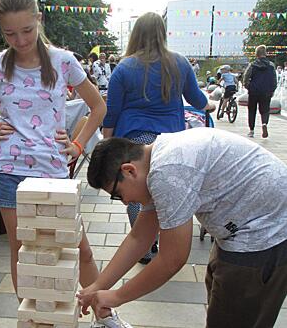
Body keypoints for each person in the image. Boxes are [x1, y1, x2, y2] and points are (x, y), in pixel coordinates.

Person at [0, 0, 131, 327]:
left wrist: (76, 145)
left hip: (53, 172)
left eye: (27, 30)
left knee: (80, 249)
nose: (19, 40)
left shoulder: (63, 61)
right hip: (8, 172)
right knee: (23, 253)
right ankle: (34, 319)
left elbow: (98, 106)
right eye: (10, 33)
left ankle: (104, 313)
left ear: (39, 20)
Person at [78, 128, 287, 328]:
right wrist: (97, 287)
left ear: (129, 170)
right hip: (245, 227)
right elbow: (139, 237)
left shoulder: (166, 173)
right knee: (222, 306)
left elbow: (172, 259)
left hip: (266, 233)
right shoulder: (157, 160)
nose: (125, 202)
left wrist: (116, 297)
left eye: (118, 194)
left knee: (233, 316)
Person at [103, 12, 215, 264]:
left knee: (135, 191)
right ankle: (169, 243)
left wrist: (106, 140)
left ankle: (144, 247)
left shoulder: (124, 67)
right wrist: (210, 106)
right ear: (162, 34)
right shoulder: (179, 63)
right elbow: (198, 100)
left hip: (133, 139)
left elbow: (112, 110)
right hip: (170, 139)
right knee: (168, 190)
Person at [243, 45, 277, 138]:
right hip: (266, 91)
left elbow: (246, 77)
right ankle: (264, 124)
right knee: (265, 110)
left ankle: (251, 130)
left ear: (256, 54)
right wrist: (272, 89)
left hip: (254, 91)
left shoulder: (252, 65)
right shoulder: (271, 65)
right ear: (265, 53)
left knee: (252, 110)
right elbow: (274, 79)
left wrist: (247, 86)